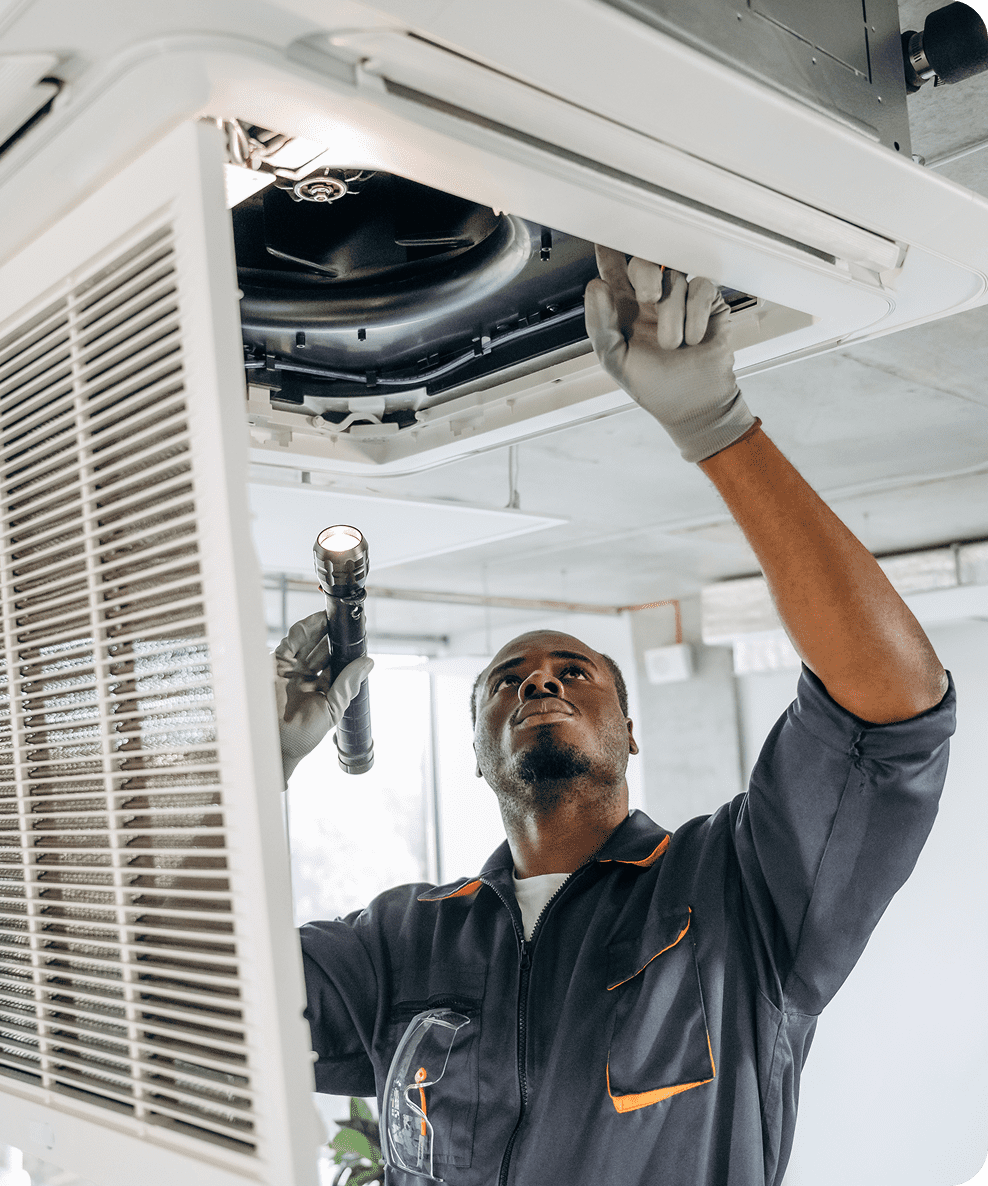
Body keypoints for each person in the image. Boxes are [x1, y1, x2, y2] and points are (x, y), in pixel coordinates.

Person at [271, 248, 956, 1186]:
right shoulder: (404, 945)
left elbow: (891, 709)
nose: (539, 684)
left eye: (572, 671)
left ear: (632, 731)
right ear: (478, 755)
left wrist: (719, 429)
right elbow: (171, 990)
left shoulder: (736, 892)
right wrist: (244, 769)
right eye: (507, 681)